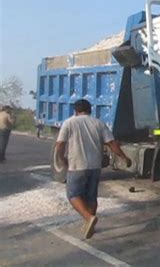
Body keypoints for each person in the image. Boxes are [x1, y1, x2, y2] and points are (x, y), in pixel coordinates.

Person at [54, 99, 132, 239]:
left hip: (77, 165)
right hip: (95, 166)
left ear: (75, 111)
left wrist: (61, 159)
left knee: (73, 195)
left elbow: (60, 145)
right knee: (91, 196)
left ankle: (88, 218)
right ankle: (90, 225)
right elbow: (111, 143)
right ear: (90, 110)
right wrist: (124, 157)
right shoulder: (98, 123)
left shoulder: (69, 123)